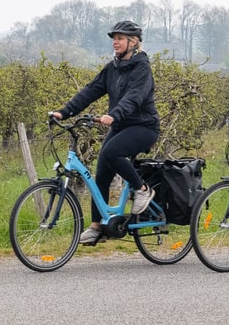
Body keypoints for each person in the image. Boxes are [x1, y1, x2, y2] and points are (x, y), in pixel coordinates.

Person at [50, 20, 161, 245]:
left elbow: (135, 96)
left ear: (134, 41)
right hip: (121, 126)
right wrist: (64, 112)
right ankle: (97, 226)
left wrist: (114, 114)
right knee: (101, 171)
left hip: (144, 126)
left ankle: (142, 189)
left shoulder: (142, 68)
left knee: (111, 153)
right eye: (114, 38)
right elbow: (90, 91)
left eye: (120, 38)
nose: (115, 42)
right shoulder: (113, 68)